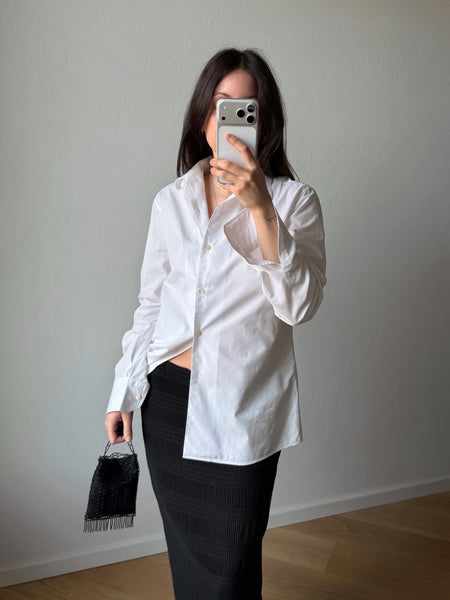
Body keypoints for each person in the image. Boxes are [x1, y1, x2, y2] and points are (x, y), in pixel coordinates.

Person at [104, 48, 326, 600]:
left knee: (230, 566)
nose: (230, 120)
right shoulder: (170, 201)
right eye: (220, 105)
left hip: (242, 407)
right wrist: (122, 392)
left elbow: (299, 306)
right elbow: (151, 306)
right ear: (202, 114)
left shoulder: (294, 202)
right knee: (189, 562)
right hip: (166, 403)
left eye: (244, 110)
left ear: (263, 122)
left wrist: (260, 210)